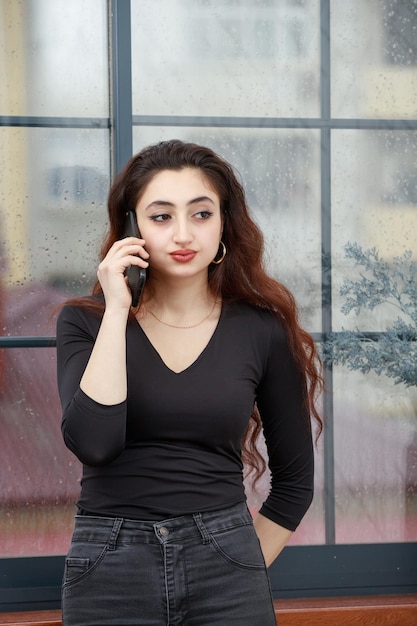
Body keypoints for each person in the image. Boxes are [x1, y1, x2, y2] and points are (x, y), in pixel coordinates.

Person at [56, 139, 323, 626]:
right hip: (108, 566)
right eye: (161, 217)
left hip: (225, 562)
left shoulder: (262, 329)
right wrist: (118, 308)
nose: (184, 233)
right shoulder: (85, 322)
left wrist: (237, 566)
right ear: (131, 228)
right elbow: (94, 443)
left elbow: (295, 482)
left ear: (224, 222)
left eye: (201, 214)